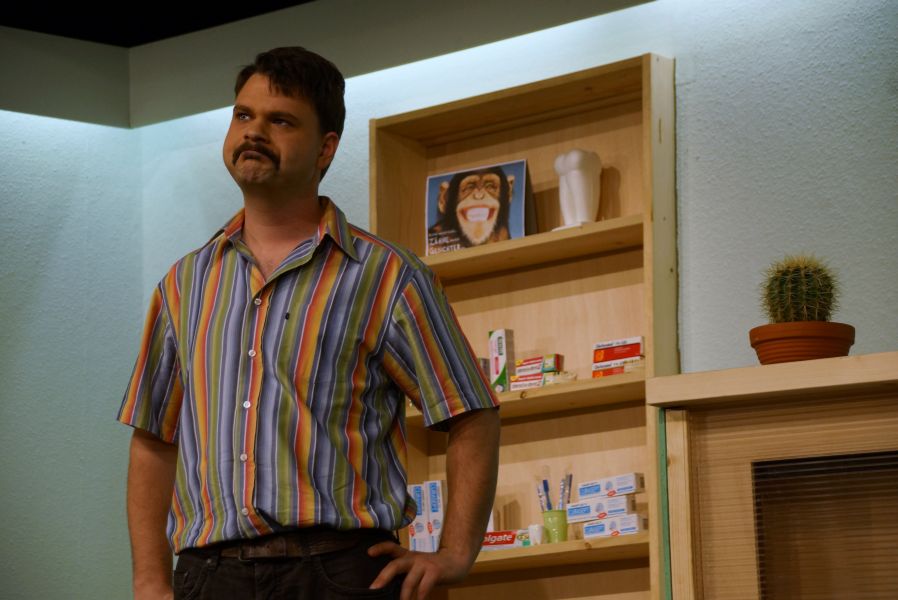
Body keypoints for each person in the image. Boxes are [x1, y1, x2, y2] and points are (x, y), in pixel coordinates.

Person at [119, 46, 500, 600]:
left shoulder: (387, 276)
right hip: (209, 578)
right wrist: (150, 579)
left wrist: (456, 552)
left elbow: (471, 411)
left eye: (281, 120)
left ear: (326, 147)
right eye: (244, 115)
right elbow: (153, 439)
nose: (254, 132)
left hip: (340, 573)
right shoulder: (183, 285)